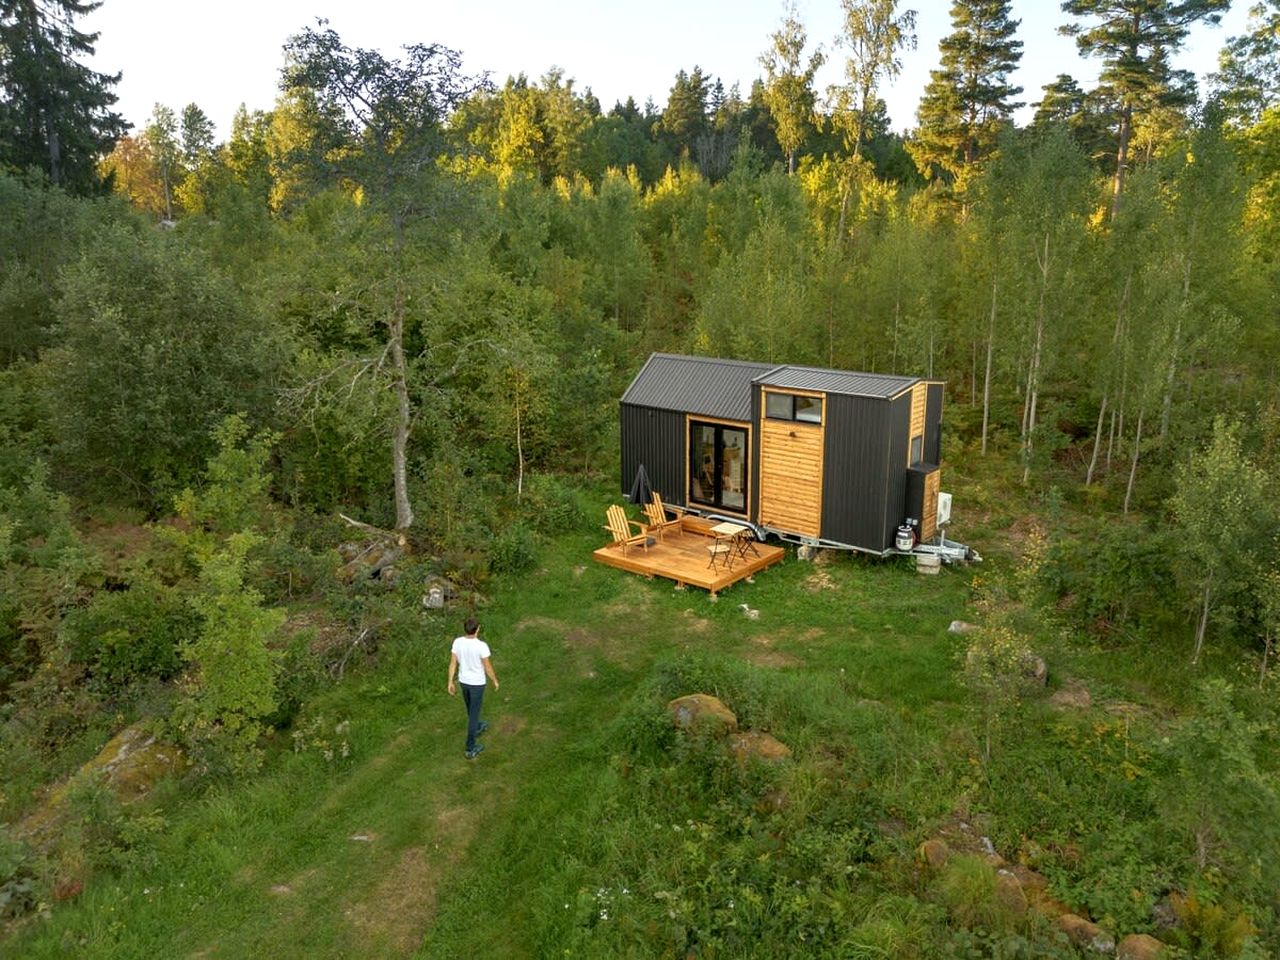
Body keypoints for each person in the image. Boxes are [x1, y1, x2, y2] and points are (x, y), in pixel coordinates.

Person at [447, 617, 499, 760]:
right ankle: (470, 747)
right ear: (478, 629)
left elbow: (453, 663)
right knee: (473, 714)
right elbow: (487, 666)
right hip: (477, 684)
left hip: (463, 682)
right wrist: (494, 680)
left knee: (470, 708)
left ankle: (476, 726)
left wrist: (450, 681)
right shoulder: (481, 646)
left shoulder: (457, 642)